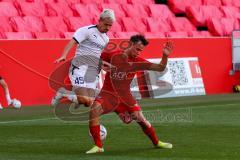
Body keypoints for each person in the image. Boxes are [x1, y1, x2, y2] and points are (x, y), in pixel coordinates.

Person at [86, 35, 174, 154]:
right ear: (130, 44)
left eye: (141, 50)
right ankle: (98, 146)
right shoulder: (113, 55)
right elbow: (94, 59)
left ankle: (157, 142)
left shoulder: (138, 62)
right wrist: (102, 64)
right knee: (94, 110)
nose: (139, 52)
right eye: (137, 49)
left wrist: (165, 55)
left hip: (125, 97)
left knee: (141, 119)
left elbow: (160, 68)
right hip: (108, 95)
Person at [51, 9, 115, 108]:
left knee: (88, 103)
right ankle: (63, 93)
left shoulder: (106, 39)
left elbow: (96, 54)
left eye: (110, 25)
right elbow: (72, 42)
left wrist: (103, 64)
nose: (108, 27)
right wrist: (64, 55)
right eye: (106, 24)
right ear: (100, 20)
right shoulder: (87, 30)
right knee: (83, 99)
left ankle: (68, 95)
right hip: (79, 67)